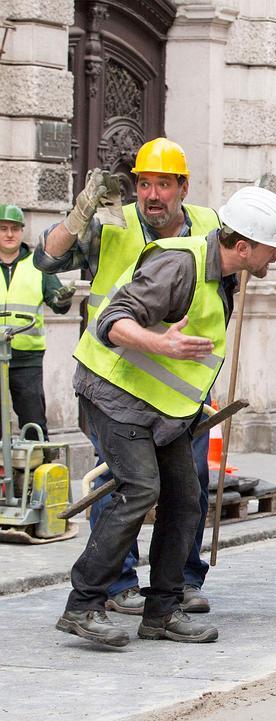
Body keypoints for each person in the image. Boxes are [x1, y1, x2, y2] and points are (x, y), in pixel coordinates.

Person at [54, 186, 276, 648]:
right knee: (141, 488)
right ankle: (82, 606)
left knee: (186, 499)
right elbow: (113, 322)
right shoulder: (179, 263)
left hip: (163, 407)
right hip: (115, 393)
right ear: (243, 246)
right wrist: (163, 344)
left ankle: (161, 612)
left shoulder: (224, 274)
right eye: (274, 246)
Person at [35, 137, 220, 617]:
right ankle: (116, 584)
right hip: (114, 383)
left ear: (183, 186)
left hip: (177, 389)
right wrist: (77, 217)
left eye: (162, 184)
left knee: (190, 483)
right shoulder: (109, 226)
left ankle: (180, 581)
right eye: (143, 183)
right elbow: (46, 260)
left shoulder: (208, 226)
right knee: (123, 482)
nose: (152, 194)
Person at [0, 204, 75, 437]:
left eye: (14, 228)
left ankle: (35, 470)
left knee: (33, 422)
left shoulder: (37, 266)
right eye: (3, 228)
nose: (9, 234)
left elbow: (58, 303)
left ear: (22, 231)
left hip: (27, 359)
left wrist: (63, 300)